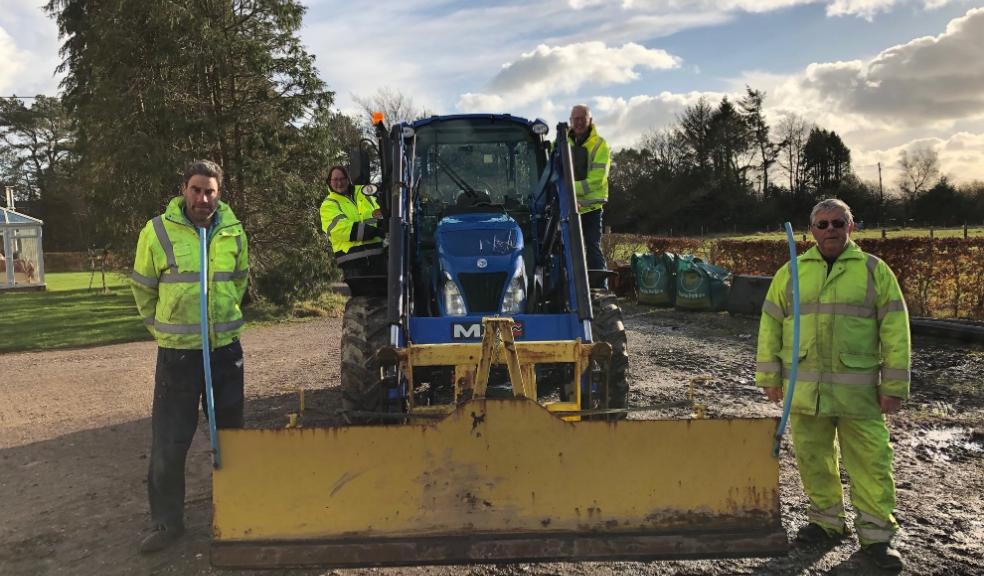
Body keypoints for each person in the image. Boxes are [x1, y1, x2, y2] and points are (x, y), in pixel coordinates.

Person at [756, 198, 910, 570]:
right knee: (813, 459)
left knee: (871, 463)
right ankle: (826, 524)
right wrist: (769, 378)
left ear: (850, 227)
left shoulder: (874, 271)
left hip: (859, 394)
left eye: (837, 223)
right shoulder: (790, 272)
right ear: (812, 230)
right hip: (806, 391)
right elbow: (770, 325)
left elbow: (895, 330)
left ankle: (876, 539)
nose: (830, 230)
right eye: (822, 224)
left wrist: (894, 385)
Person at [130, 160, 249, 554]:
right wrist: (161, 330)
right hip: (178, 356)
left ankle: (237, 513)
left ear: (220, 193)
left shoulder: (233, 230)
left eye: (210, 191)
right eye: (196, 190)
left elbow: (239, 280)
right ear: (184, 189)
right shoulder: (158, 231)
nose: (203, 198)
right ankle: (166, 523)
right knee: (170, 441)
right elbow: (144, 288)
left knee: (231, 438)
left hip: (224, 351)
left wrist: (223, 320)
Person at [319, 165, 385, 295]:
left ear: (348, 179)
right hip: (354, 262)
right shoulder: (329, 204)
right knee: (365, 300)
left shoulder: (365, 193)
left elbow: (381, 212)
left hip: (380, 256)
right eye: (335, 179)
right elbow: (341, 229)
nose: (339, 183)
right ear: (329, 182)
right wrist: (373, 231)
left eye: (342, 178)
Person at [568, 104, 611, 289]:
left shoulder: (600, 145)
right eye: (575, 118)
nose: (578, 122)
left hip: (591, 208)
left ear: (590, 120)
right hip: (567, 207)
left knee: (592, 246)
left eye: (582, 118)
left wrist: (568, 189)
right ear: (570, 120)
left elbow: (596, 180)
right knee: (565, 250)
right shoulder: (561, 143)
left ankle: (600, 289)